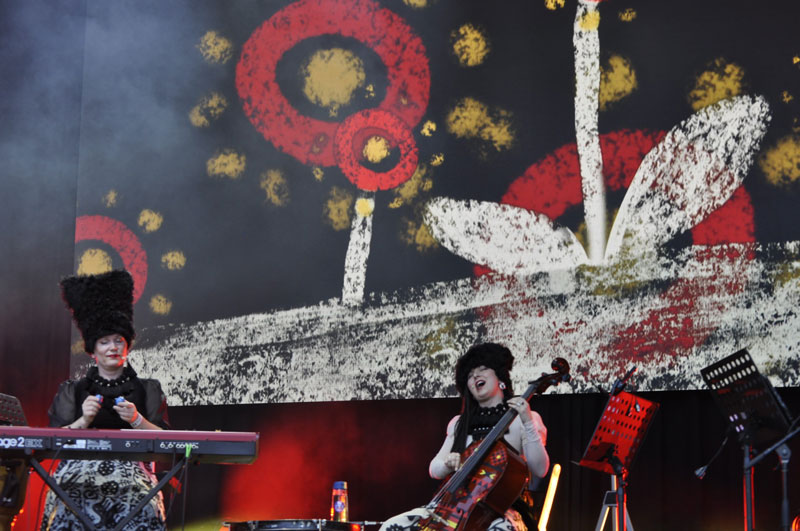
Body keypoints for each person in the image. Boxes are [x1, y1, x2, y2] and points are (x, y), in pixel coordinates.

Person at [41, 269, 169, 530]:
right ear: (93, 351)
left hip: (133, 475)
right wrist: (83, 421)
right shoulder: (72, 391)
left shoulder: (148, 389)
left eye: (118, 341)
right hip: (77, 474)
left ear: (127, 346)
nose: (113, 347)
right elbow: (50, 444)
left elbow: (167, 443)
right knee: (65, 503)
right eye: (104, 342)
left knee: (142, 504)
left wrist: (137, 420)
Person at [380, 343, 549, 531]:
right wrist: (448, 464)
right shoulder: (459, 423)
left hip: (502, 510)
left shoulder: (524, 419)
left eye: (483, 369)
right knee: (391, 526)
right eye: (469, 375)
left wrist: (527, 421)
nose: (475, 376)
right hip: (453, 508)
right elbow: (434, 469)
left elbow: (540, 469)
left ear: (500, 377)